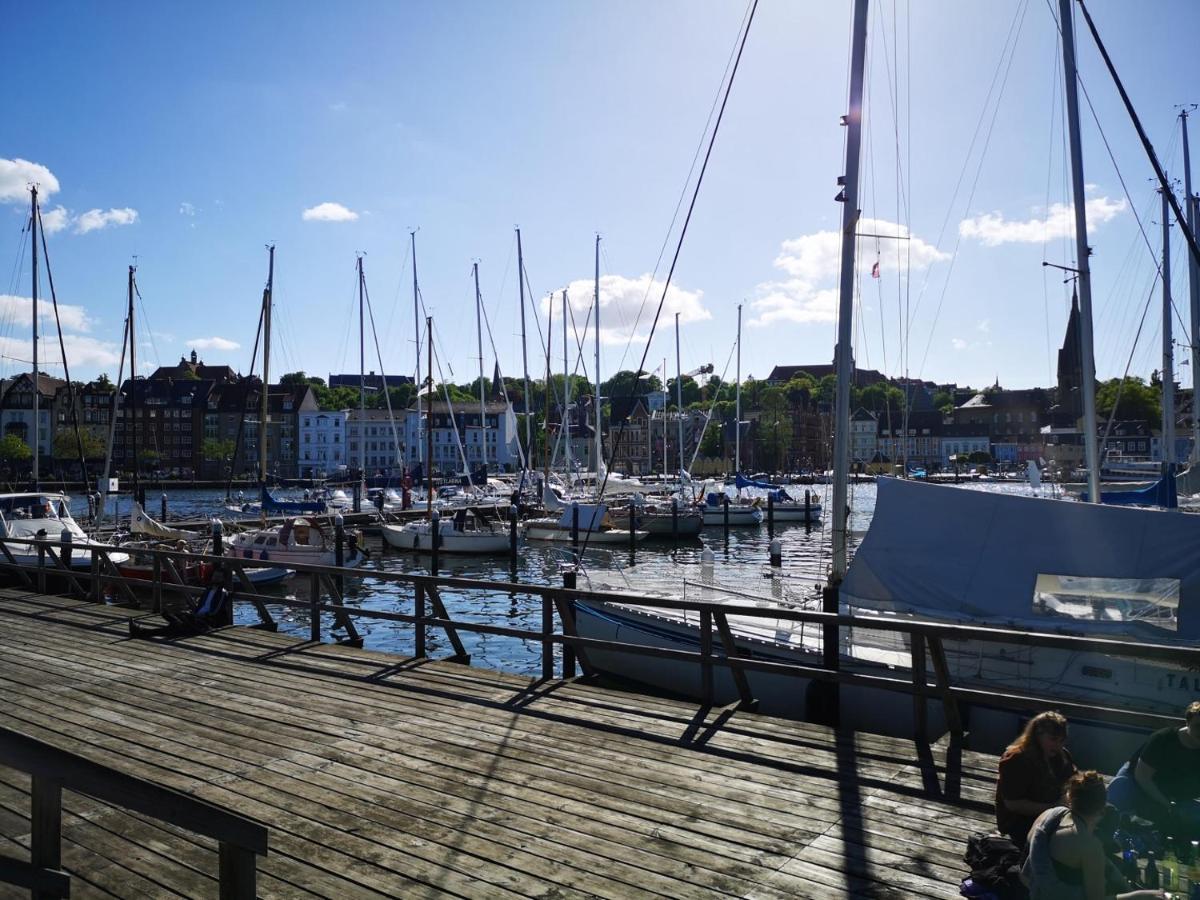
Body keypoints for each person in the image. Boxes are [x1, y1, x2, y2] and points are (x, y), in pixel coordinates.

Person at [1022, 771, 1164, 900]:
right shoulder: (1089, 847)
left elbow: (1027, 865)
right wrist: (1140, 896)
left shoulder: (1049, 816)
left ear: (1069, 797)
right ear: (1102, 809)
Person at [1108, 701, 1200, 833]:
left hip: (1173, 794)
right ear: (1187, 722)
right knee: (1119, 790)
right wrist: (1167, 805)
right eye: (1198, 726)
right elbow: (1142, 776)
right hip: (1137, 782)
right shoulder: (1163, 739)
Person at [996, 711, 1079, 845]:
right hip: (1020, 821)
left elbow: (1073, 781)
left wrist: (1070, 796)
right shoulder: (1016, 759)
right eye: (1053, 739)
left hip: (1055, 813)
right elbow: (1013, 804)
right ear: (1037, 735)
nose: (1058, 745)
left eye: (1061, 740)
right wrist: (1052, 807)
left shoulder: (1062, 755)